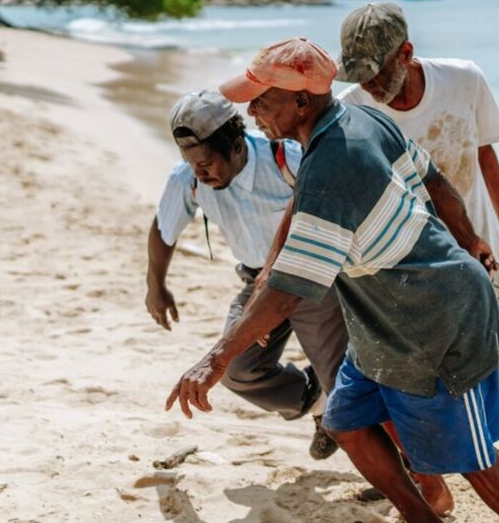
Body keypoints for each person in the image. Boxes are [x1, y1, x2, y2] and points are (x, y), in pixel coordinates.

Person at [164, 37, 499, 523]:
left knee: (472, 459)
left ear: (302, 101)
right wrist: (470, 239)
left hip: (438, 321)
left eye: (263, 100)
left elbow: (290, 291)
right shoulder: (353, 121)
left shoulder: (334, 165)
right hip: (381, 319)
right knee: (346, 421)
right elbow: (431, 181)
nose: (252, 112)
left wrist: (216, 359)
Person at [336, 3, 499, 521]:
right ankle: (433, 489)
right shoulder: (351, 108)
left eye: (375, 75)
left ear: (406, 54)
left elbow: (484, 154)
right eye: (358, 78)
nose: (367, 87)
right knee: (396, 388)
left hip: (475, 260)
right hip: (401, 275)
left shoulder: (463, 79)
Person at [146, 90, 348, 460]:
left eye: (206, 163)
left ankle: (406, 474)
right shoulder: (188, 180)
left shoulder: (286, 158)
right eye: (192, 164)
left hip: (313, 279)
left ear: (237, 145)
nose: (199, 173)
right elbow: (163, 229)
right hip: (255, 283)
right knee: (238, 370)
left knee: (347, 386)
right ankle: (317, 404)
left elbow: (340, 209)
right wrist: (155, 286)